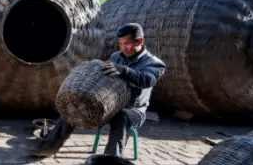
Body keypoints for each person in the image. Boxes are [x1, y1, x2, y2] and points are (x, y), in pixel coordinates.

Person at [36, 23, 166, 157]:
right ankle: (48, 147)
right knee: (74, 104)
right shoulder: (117, 56)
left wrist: (124, 71)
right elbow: (104, 75)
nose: (123, 48)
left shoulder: (154, 63)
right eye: (120, 44)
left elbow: (148, 80)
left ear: (140, 41)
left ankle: (110, 161)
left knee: (121, 117)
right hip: (110, 104)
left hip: (133, 110)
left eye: (127, 43)